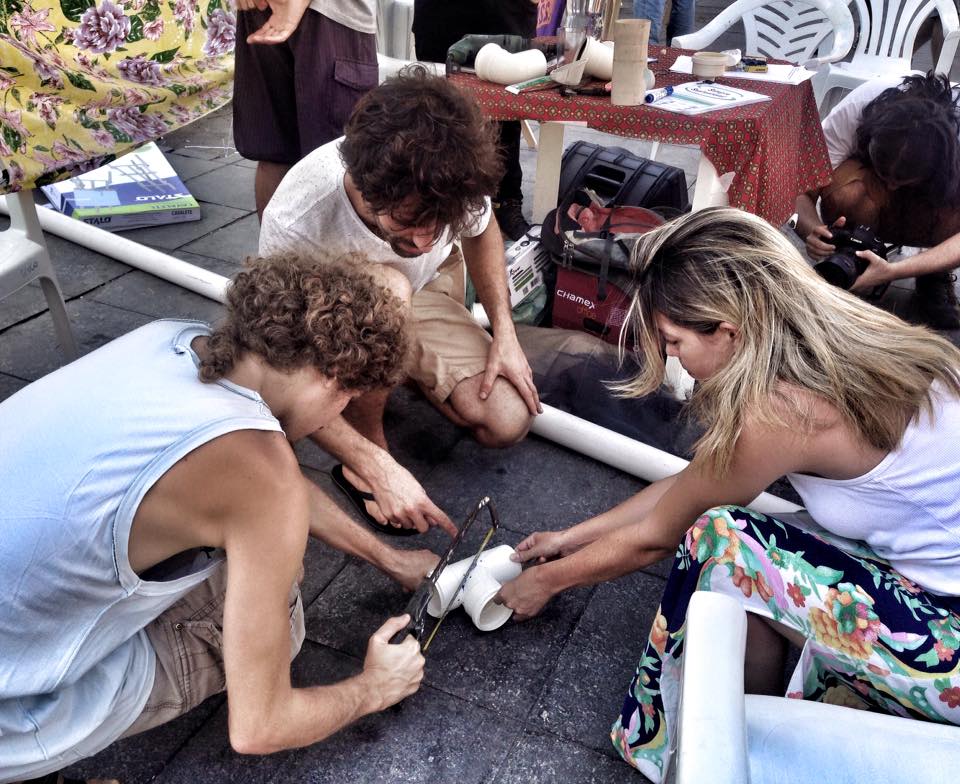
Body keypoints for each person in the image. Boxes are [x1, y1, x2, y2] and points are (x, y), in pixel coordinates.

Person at [495, 208, 960, 782]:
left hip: (950, 649)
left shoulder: (782, 408)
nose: (670, 358)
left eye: (674, 340)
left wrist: (542, 582)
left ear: (727, 329)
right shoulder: (838, 343)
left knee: (720, 542)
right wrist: (571, 538)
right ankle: (745, 723)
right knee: (747, 542)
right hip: (929, 593)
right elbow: (700, 480)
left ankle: (688, 752)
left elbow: (660, 534)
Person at [0, 256, 440, 783]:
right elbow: (259, 727)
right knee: (285, 605)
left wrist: (389, 559)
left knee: (260, 553)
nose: (335, 420)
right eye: (346, 401)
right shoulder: (258, 469)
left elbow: (258, 489)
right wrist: (374, 688)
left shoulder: (171, 341)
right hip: (12, 717)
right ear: (332, 378)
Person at [260, 66, 541, 536]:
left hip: (420, 294)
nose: (427, 239)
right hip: (326, 317)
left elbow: (482, 228)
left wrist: (505, 334)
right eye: (407, 223)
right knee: (388, 292)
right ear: (365, 186)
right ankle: (372, 442)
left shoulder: (449, 180)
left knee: (507, 421)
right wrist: (369, 462)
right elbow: (272, 371)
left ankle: (389, 370)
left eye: (436, 223)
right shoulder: (299, 216)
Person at [794, 73, 960, 329]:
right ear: (870, 135)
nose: (892, 187)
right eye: (885, 175)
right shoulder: (856, 109)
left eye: (903, 180)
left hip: (937, 196)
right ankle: (853, 254)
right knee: (847, 192)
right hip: (867, 187)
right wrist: (810, 229)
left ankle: (932, 272)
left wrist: (895, 272)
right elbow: (801, 191)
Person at [232, 0, 379, 218]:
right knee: (340, 160)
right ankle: (285, 253)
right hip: (331, 12)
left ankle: (277, 253)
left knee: (277, 153)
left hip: (271, 10)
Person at [412, 0, 539, 240]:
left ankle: (506, 201)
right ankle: (437, 199)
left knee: (506, 111)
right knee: (437, 108)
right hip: (440, 16)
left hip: (506, 12)